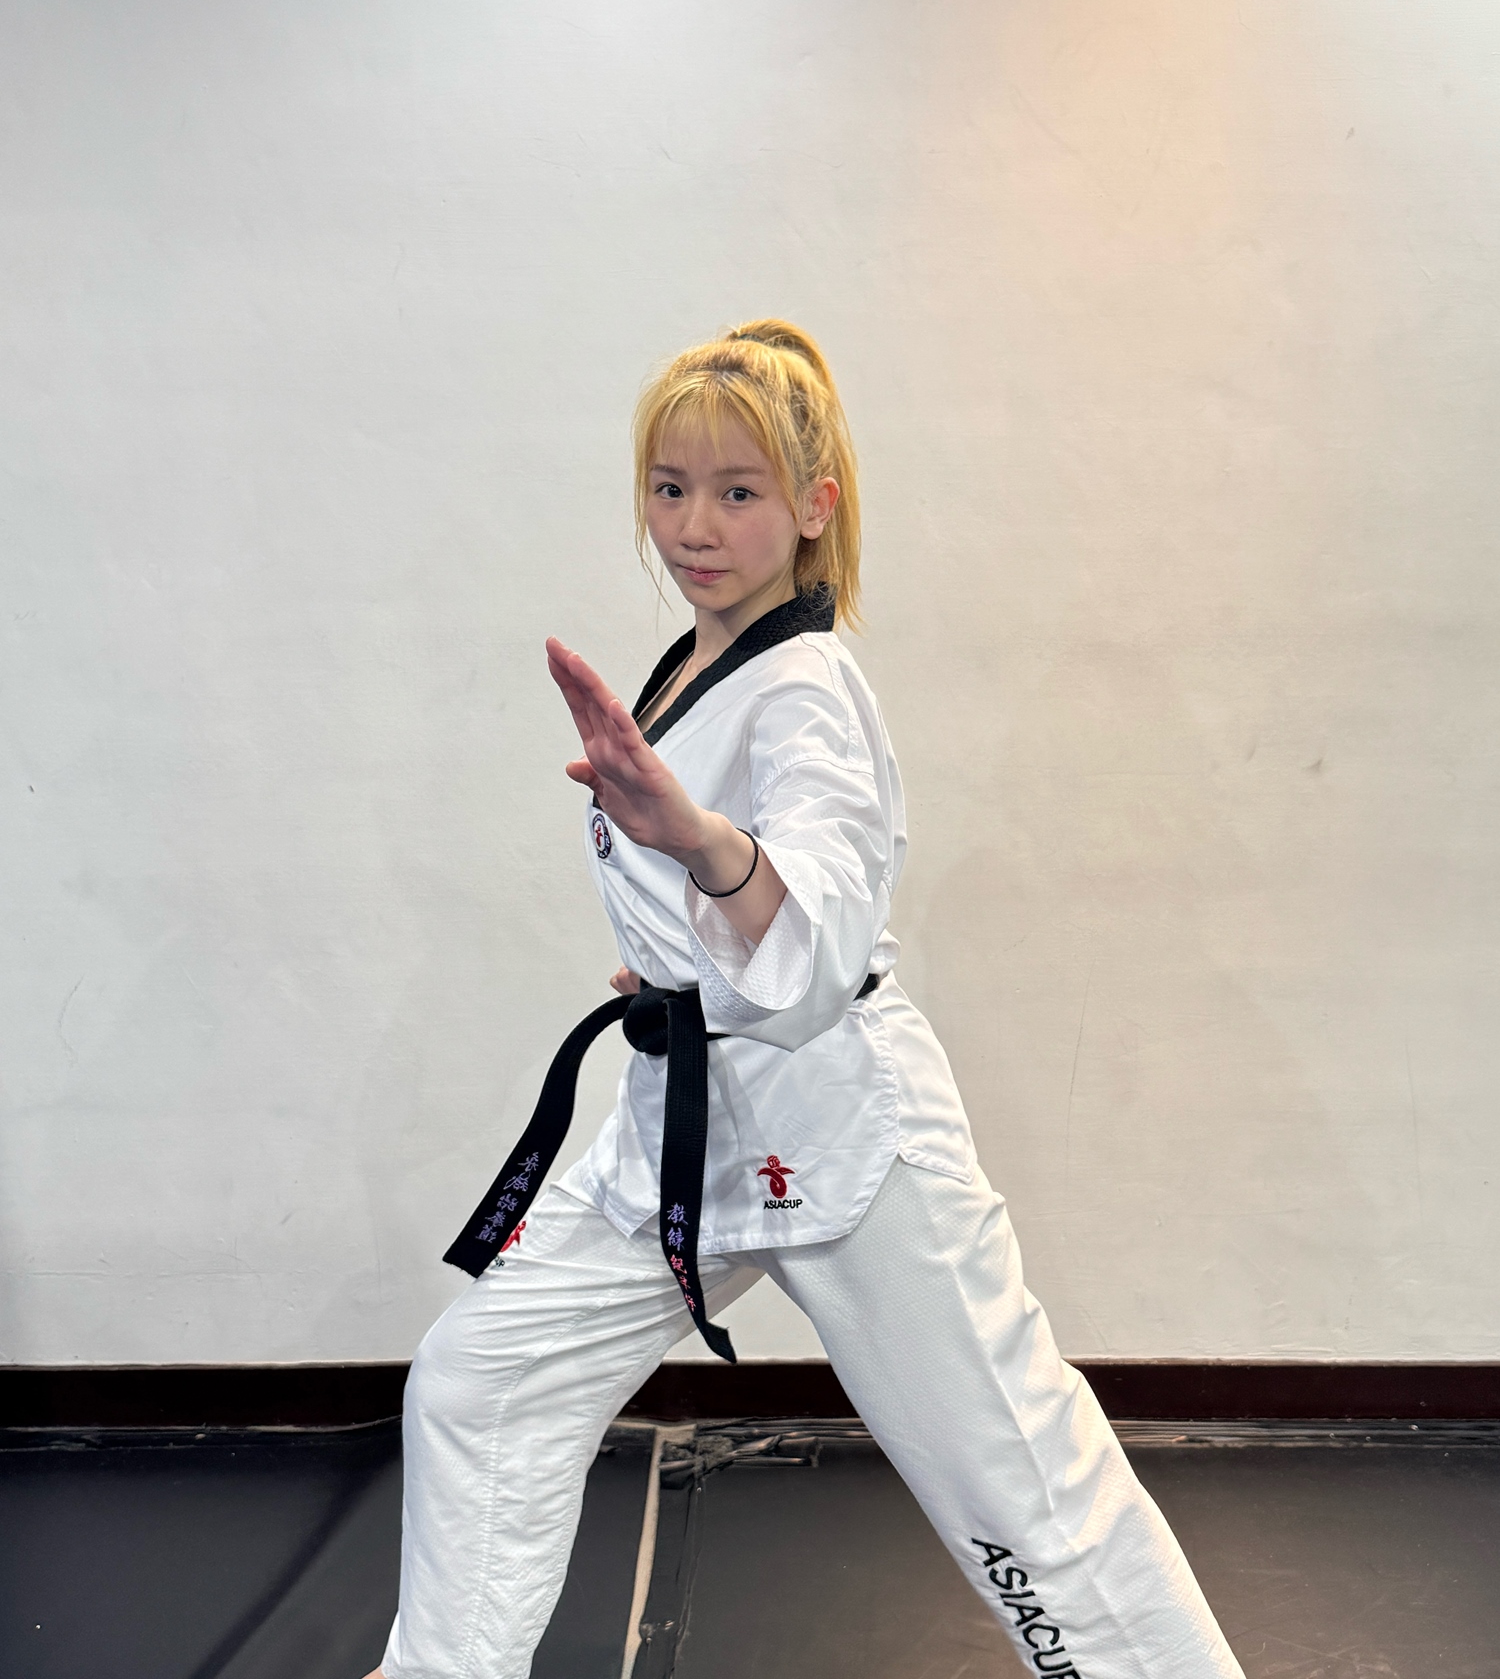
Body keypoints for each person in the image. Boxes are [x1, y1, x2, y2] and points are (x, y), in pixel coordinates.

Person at [367, 321, 1245, 1679]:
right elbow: (734, 921)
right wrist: (676, 963)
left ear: (815, 507)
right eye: (670, 488)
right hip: (691, 1114)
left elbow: (821, 919)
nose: (694, 525)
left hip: (840, 1131)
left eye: (738, 492)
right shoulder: (696, 664)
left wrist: (701, 844)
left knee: (1022, 1495)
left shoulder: (808, 689)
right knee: (484, 1386)